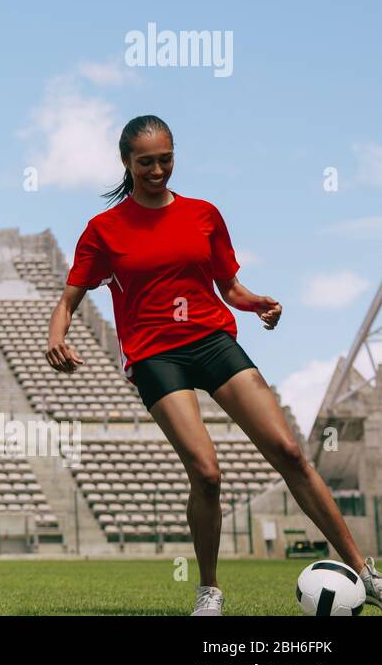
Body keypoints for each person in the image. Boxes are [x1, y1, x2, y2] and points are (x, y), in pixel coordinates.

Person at [45, 114, 380, 615]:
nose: (158, 170)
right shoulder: (103, 230)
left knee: (289, 450)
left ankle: (366, 572)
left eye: (166, 159)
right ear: (126, 163)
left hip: (213, 340)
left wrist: (258, 303)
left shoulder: (204, 214)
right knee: (206, 473)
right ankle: (209, 590)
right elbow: (69, 299)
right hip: (155, 354)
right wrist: (56, 337)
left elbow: (230, 287)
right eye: (146, 163)